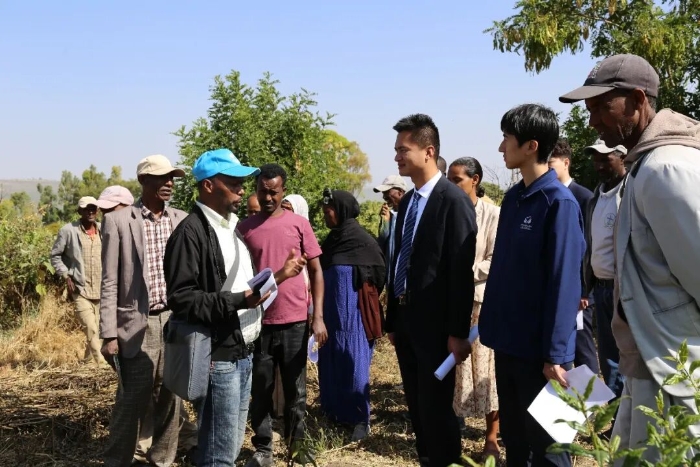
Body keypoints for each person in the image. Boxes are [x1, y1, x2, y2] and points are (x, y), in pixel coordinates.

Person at [560, 53, 700, 462]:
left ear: (638, 100)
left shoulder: (665, 169)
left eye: (602, 107)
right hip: (652, 361)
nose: (593, 122)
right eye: (589, 110)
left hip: (677, 367)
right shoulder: (647, 164)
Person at [164, 149, 306, 466]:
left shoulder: (232, 228)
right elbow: (182, 298)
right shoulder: (190, 233)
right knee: (220, 454)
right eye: (233, 182)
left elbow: (243, 286)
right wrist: (241, 299)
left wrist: (275, 279)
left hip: (243, 353)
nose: (242, 190)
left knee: (225, 448)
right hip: (219, 357)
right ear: (208, 185)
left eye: (242, 182)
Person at [479, 104, 585, 467]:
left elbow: (565, 283)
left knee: (551, 448)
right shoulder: (513, 198)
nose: (501, 147)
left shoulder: (559, 203)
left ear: (531, 145)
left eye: (507, 138)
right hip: (508, 344)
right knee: (516, 442)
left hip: (542, 356)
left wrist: (557, 355)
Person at [386, 114, 476, 467]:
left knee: (437, 408)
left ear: (429, 151)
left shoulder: (452, 200)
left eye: (403, 149)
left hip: (437, 328)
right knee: (417, 406)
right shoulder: (408, 201)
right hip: (407, 319)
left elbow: (460, 271)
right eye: (396, 150)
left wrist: (457, 331)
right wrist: (393, 318)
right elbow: (400, 261)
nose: (397, 156)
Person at [99, 154, 188, 467]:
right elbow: (109, 281)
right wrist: (109, 333)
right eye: (162, 177)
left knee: (171, 397)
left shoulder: (181, 219)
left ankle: (162, 460)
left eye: (172, 178)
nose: (169, 183)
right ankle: (117, 461)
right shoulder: (118, 221)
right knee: (131, 400)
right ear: (143, 181)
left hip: (175, 321)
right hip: (137, 324)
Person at [239, 164, 327, 467]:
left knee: (296, 390)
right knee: (261, 389)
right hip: (258, 323)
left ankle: (296, 444)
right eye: (263, 191)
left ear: (283, 191)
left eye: (274, 192)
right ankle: (263, 447)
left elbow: (316, 271)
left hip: (295, 321)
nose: (268, 197)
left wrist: (318, 316)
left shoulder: (299, 225)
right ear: (256, 190)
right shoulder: (244, 229)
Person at [318, 189, 385, 441]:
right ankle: (334, 411)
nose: (325, 216)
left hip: (354, 317)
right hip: (330, 317)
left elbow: (379, 274)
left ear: (342, 210)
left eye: (329, 211)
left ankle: (359, 418)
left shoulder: (363, 242)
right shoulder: (331, 242)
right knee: (332, 359)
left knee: (354, 361)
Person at [447, 157, 501, 461]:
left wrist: (462, 273)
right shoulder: (445, 212)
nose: (452, 185)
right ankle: (452, 430)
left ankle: (491, 438)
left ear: (475, 180)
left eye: (457, 180)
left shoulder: (493, 214)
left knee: (486, 373)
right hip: (450, 303)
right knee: (454, 371)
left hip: (480, 304)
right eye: (449, 180)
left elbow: (495, 260)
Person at [547, 139, 599, 376]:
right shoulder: (547, 196)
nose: (547, 169)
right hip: (555, 289)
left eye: (551, 164)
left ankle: (595, 397)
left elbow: (588, 247)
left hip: (579, 293)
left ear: (566, 163)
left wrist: (584, 290)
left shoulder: (583, 196)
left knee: (582, 348)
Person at [581, 141, 627, 400]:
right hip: (601, 288)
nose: (598, 165)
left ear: (622, 158)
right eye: (595, 160)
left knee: (628, 356)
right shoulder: (596, 197)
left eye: (605, 159)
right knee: (608, 358)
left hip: (625, 290)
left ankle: (627, 414)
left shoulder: (630, 193)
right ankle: (616, 413)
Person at [51, 196, 105, 366]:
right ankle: (101, 363)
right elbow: (55, 256)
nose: (90, 212)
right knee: (90, 327)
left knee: (100, 329)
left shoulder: (103, 230)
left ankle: (88, 363)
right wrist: (66, 275)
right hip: (80, 289)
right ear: (79, 211)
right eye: (86, 209)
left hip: (101, 289)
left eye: (93, 208)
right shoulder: (68, 231)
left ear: (98, 211)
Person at [373, 175, 408, 285]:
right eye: (383, 193)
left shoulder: (410, 214)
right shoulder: (390, 215)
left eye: (387, 192)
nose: (384, 197)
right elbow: (382, 240)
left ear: (400, 192)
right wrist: (385, 222)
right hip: (391, 277)